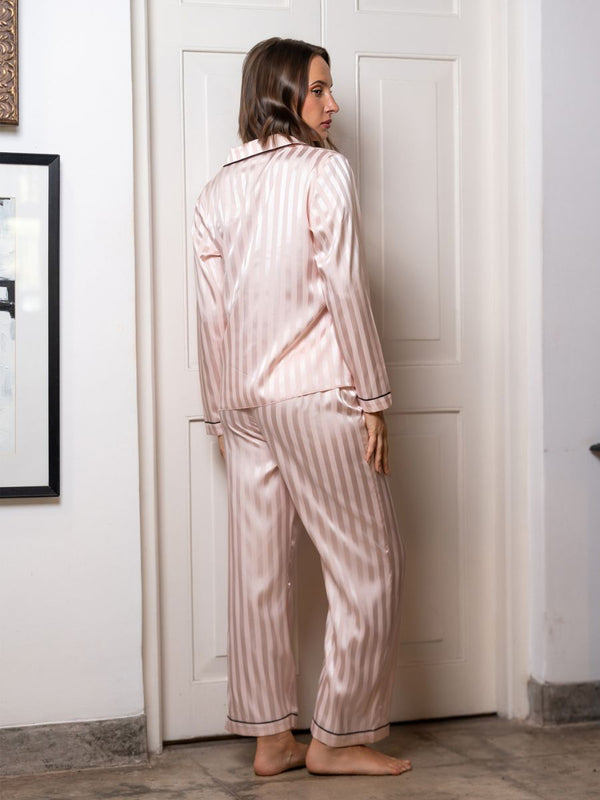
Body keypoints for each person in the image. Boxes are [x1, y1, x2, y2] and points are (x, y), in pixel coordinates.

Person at [192, 37, 409, 778]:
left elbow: (211, 319)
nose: (333, 104)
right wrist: (375, 398)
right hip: (317, 394)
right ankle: (336, 738)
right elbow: (344, 286)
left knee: (259, 573)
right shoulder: (325, 170)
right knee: (368, 566)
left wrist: (222, 413)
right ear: (284, 93)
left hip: (245, 405)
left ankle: (269, 739)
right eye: (318, 90)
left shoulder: (216, 191)